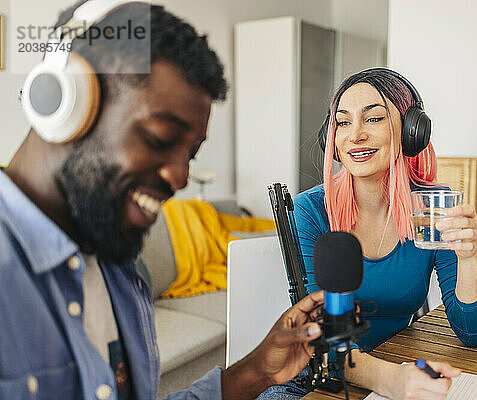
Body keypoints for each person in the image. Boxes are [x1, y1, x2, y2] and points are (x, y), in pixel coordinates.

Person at [0, 2, 325, 399]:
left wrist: (258, 369)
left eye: (190, 154)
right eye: (158, 138)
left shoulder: (119, 263)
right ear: (66, 103)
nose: (180, 176)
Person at [257, 68, 477, 400]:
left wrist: (468, 258)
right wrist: (392, 380)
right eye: (343, 122)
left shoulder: (432, 208)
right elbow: (324, 339)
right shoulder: (310, 211)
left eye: (374, 119)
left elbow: (471, 331)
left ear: (412, 132)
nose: (355, 135)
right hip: (313, 377)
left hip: (395, 364)